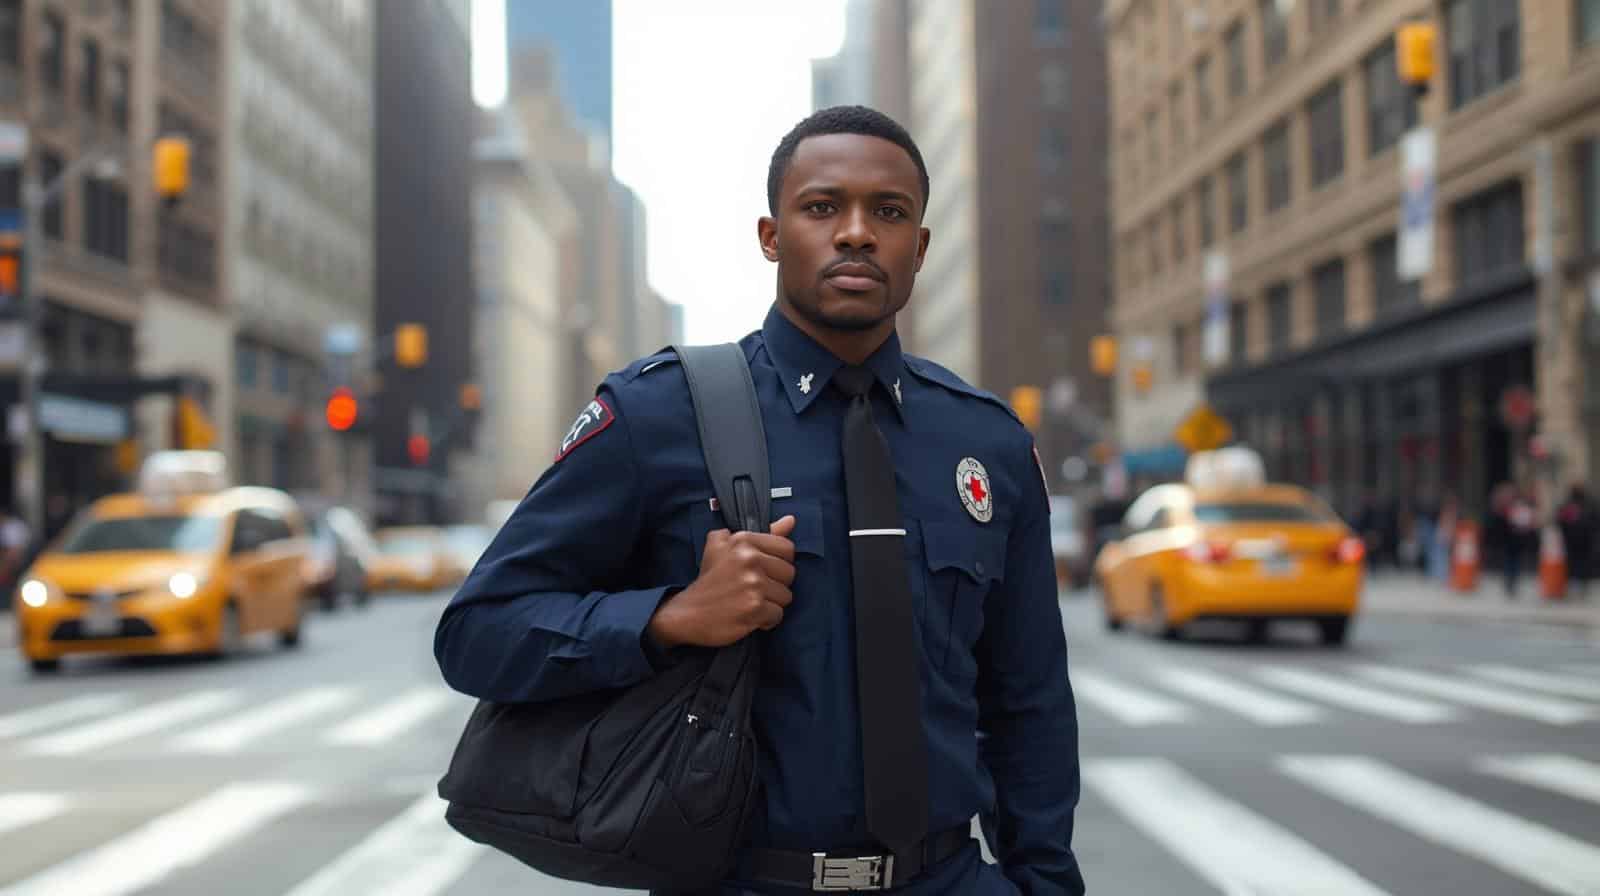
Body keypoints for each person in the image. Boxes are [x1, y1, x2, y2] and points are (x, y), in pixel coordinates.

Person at [434, 106, 1084, 895]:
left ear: (919, 247)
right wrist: (668, 616)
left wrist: (1042, 885)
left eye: (888, 212)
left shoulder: (988, 444)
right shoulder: (657, 414)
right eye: (822, 207)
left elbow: (1030, 702)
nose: (855, 233)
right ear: (771, 237)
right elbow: (477, 632)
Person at [1557, 484, 1597, 597]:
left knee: (1578, 563)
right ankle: (1578, 585)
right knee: (1578, 563)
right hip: (1577, 541)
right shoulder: (1584, 505)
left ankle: (1579, 585)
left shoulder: (1586, 505)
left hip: (1580, 541)